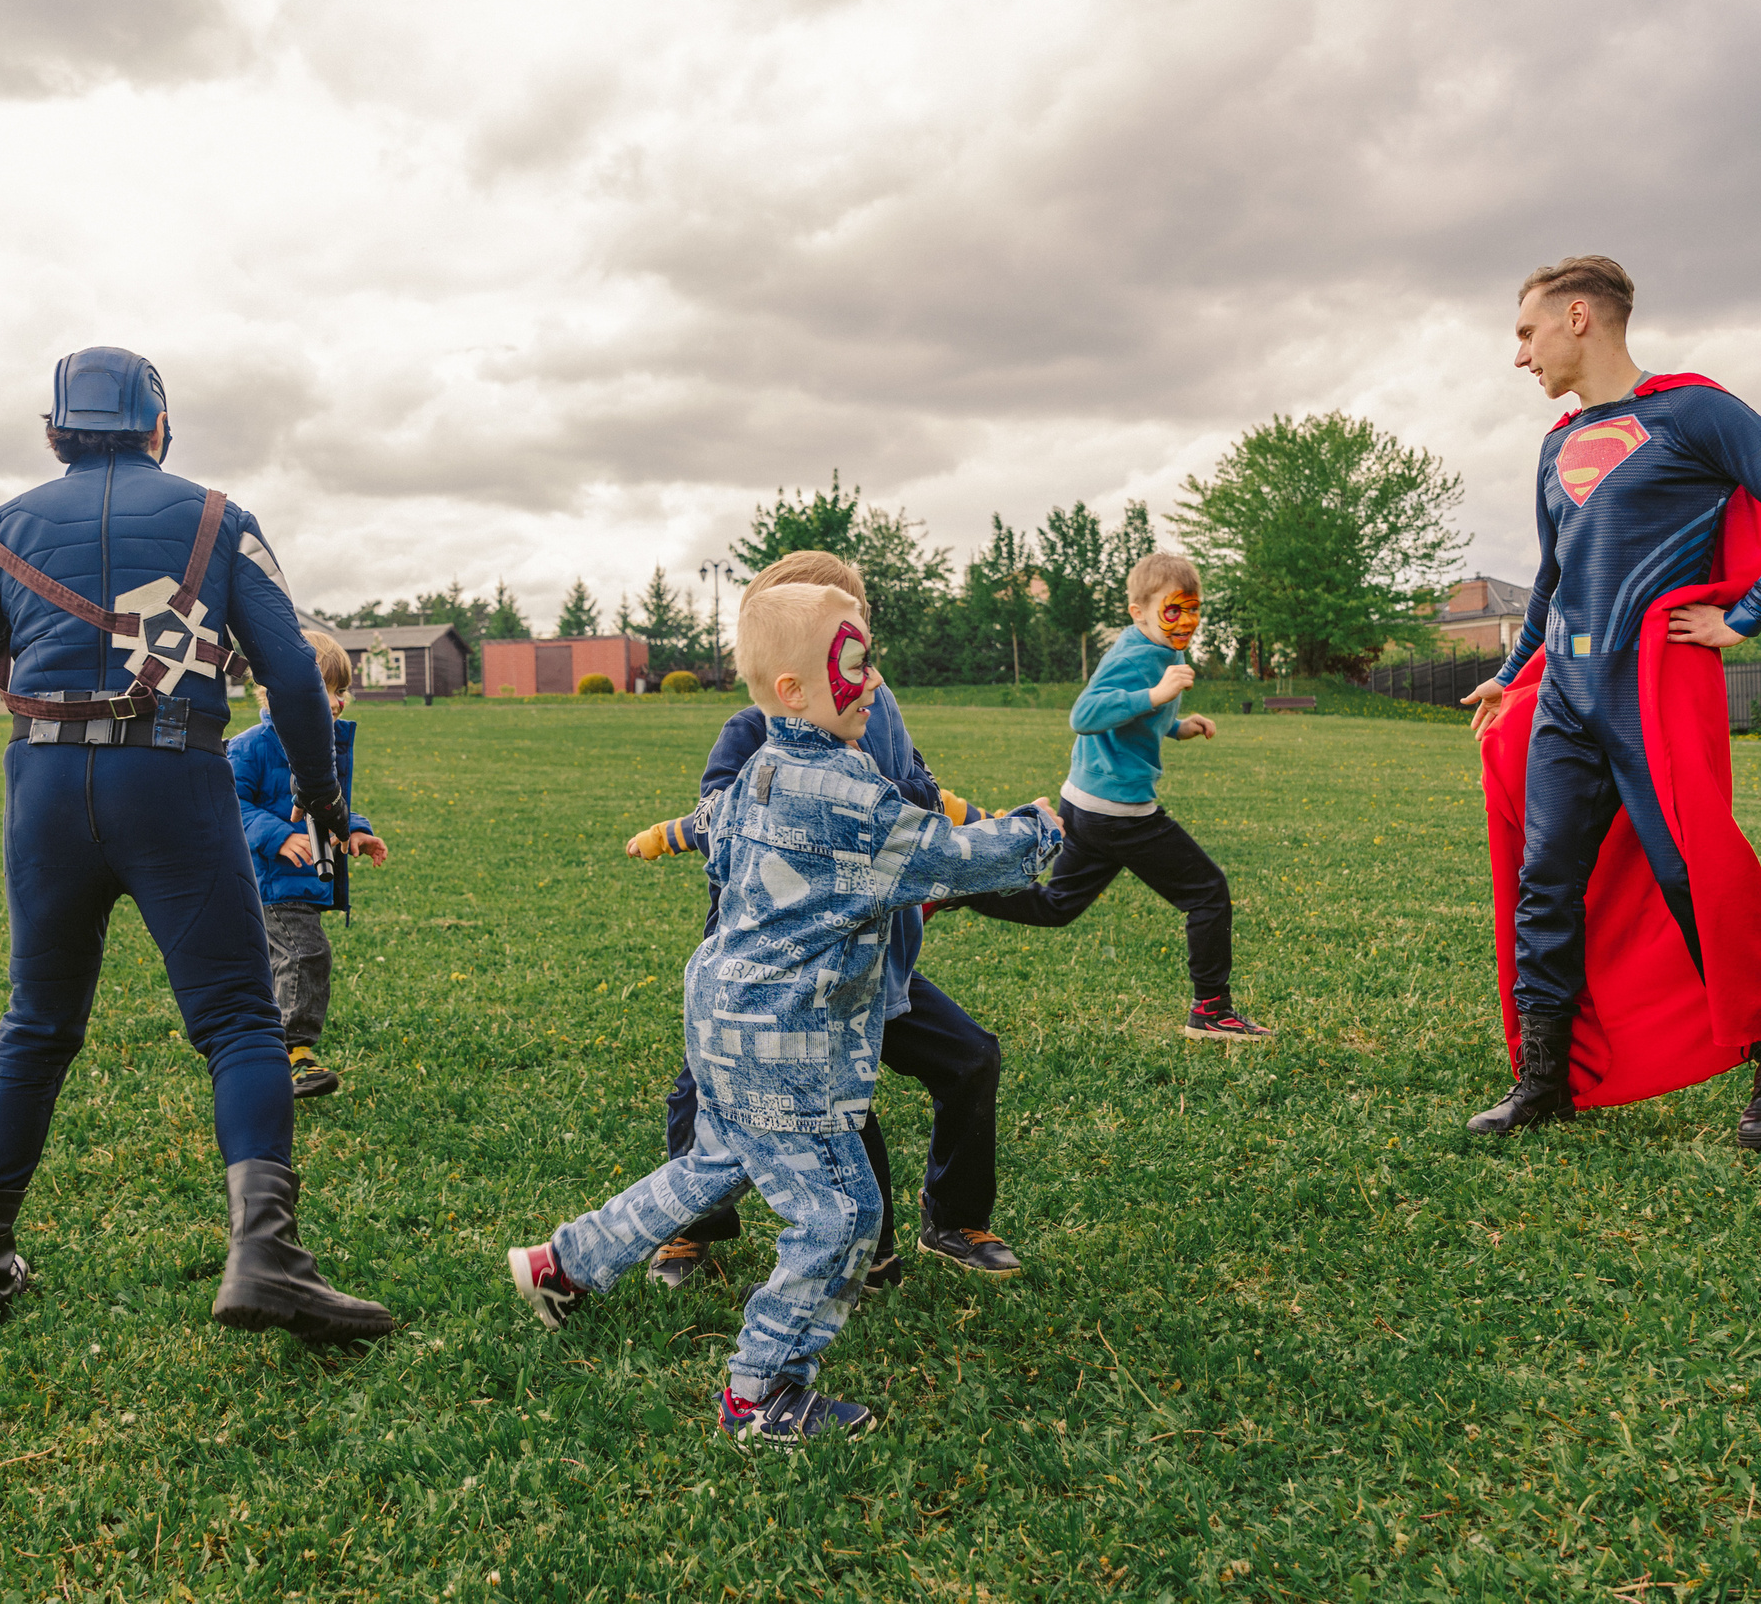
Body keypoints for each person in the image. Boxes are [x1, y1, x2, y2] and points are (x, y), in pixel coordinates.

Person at [0, 346, 394, 1341]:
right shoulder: (221, 521)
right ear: (159, 429)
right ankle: (267, 1255)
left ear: (52, 433)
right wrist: (323, 803)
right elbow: (294, 678)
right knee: (240, 1024)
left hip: (43, 787)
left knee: (36, 1026)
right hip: (173, 777)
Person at [507, 583, 1062, 1444]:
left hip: (720, 1016)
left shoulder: (761, 765)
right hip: (788, 1041)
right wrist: (1039, 831)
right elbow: (949, 858)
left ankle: (564, 1263)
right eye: (857, 661)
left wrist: (670, 833)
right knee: (842, 1212)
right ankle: (760, 1391)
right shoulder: (848, 795)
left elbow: (710, 820)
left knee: (712, 1163)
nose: (875, 679)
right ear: (796, 688)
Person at [1461, 256, 1761, 1146]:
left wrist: (1745, 617)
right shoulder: (1557, 445)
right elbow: (1553, 584)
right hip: (1566, 694)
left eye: (1527, 331)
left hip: (1651, 687)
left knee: (1689, 870)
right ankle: (1546, 1079)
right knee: (1546, 883)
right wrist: (1513, 673)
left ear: (1581, 317)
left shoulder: (1691, 411)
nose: (1521, 355)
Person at [625, 552, 1029, 1285]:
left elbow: (921, 807)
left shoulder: (880, 713)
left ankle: (953, 1216)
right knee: (709, 1085)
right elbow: (725, 826)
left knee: (969, 1057)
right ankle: (693, 1231)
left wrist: (991, 838)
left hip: (874, 966)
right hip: (776, 974)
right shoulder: (753, 733)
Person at [954, 552, 1271, 1040]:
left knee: (1057, 905)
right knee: (1207, 893)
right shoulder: (1137, 654)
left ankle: (960, 889)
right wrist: (1156, 697)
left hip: (1087, 803)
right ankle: (1210, 1011)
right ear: (1138, 612)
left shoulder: (1162, 648)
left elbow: (1135, 718)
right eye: (1173, 609)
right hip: (1120, 813)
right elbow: (1085, 715)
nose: (1185, 620)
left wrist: (1178, 726)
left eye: (1193, 608)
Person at [230, 628, 387, 1101]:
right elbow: (227, 804)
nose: (338, 703)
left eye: (343, 692)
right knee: (305, 954)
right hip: (270, 881)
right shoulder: (250, 746)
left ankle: (256, 1046)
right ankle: (294, 1054)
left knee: (279, 964)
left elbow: (329, 801)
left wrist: (354, 828)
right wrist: (277, 836)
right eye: (328, 690)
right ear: (277, 690)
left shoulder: (325, 747)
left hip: (304, 881)